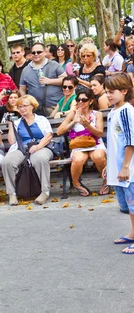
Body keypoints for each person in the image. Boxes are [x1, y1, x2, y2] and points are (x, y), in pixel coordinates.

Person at [2, 95, 54, 205]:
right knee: (7, 162)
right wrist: (11, 125)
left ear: (32, 106)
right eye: (19, 107)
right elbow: (12, 142)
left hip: (41, 146)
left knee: (40, 159)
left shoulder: (41, 119)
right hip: (22, 148)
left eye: (24, 106)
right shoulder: (17, 123)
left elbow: (49, 136)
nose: (22, 109)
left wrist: (38, 146)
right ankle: (12, 193)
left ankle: (45, 191)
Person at [104, 73, 134, 254]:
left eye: (112, 92)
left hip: (129, 168)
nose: (108, 95)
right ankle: (132, 233)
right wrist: (110, 165)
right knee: (128, 205)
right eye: (106, 92)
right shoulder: (113, 111)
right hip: (118, 167)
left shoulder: (126, 111)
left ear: (124, 91)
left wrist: (125, 166)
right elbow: (114, 141)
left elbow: (131, 140)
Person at [57, 88, 106, 197]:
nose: (80, 102)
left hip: (95, 143)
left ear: (91, 101)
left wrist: (87, 125)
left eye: (84, 100)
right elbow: (59, 131)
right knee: (78, 159)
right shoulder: (73, 114)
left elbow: (99, 133)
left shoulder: (97, 114)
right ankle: (76, 184)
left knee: (98, 157)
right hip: (79, 144)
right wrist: (74, 122)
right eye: (78, 99)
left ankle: (106, 181)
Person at [19, 42, 66, 116]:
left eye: (39, 52)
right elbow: (22, 88)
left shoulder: (54, 65)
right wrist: (25, 103)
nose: (36, 54)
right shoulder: (26, 70)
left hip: (55, 106)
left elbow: (66, 80)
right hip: (36, 109)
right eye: (33, 52)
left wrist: (49, 81)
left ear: (44, 53)